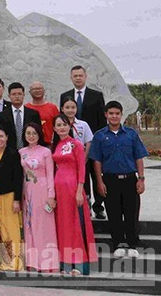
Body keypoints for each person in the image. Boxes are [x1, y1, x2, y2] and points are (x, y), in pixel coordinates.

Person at [90, 101, 148, 258]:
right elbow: (97, 161)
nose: (114, 116)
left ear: (121, 115)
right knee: (113, 212)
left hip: (129, 179)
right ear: (106, 115)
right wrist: (99, 181)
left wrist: (141, 179)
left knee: (131, 212)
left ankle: (132, 243)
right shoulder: (99, 136)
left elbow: (139, 157)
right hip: (110, 180)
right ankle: (118, 243)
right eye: (111, 113)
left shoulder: (131, 134)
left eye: (117, 113)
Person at [51, 114, 97, 275]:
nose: (61, 128)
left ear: (69, 126)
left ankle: (80, 264)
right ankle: (65, 264)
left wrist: (79, 191)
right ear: (54, 128)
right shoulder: (56, 145)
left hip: (73, 189)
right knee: (63, 226)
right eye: (58, 125)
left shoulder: (76, 144)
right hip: (59, 191)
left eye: (64, 124)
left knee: (75, 226)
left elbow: (82, 168)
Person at [60, 65, 106, 219]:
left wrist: (98, 144)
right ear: (71, 78)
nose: (78, 78)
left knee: (95, 174)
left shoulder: (96, 96)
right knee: (80, 177)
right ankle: (85, 206)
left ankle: (98, 206)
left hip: (92, 144)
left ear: (86, 77)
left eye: (80, 75)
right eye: (75, 76)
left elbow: (101, 122)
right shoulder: (65, 96)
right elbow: (62, 121)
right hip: (72, 146)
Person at [19, 122, 59, 272]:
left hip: (42, 191)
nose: (31, 136)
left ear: (39, 135)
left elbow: (50, 175)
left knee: (44, 227)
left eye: (34, 133)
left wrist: (51, 195)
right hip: (27, 191)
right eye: (28, 133)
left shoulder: (46, 152)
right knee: (29, 226)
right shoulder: (21, 152)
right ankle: (32, 261)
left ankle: (47, 263)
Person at [0, 126, 24, 271]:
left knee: (10, 229)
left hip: (9, 197)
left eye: (1, 136)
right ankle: (0, 260)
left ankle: (12, 262)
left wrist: (17, 200)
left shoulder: (13, 154)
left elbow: (18, 178)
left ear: (7, 137)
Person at [0, 82, 41, 149]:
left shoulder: (33, 114)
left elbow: (39, 133)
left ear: (23, 95)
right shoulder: (3, 115)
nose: (17, 96)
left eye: (19, 94)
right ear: (9, 96)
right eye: (14, 94)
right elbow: (1, 134)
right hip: (10, 151)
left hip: (30, 150)